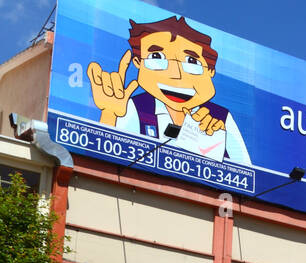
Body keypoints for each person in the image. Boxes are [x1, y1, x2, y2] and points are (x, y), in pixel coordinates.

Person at [86, 15, 251, 164]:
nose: (176, 75)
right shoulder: (136, 107)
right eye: (156, 57)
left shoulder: (220, 118)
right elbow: (108, 159)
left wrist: (216, 142)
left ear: (210, 71)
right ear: (138, 62)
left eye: (191, 61)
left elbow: (248, 178)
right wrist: (109, 114)